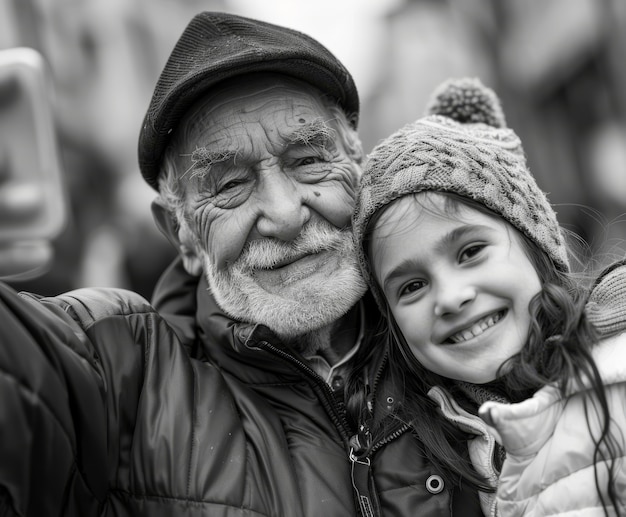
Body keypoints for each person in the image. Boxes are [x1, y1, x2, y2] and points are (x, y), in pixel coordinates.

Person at [0, 12, 483, 517]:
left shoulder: (462, 323)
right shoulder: (123, 376)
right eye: (230, 185)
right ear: (180, 232)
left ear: (359, 168)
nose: (285, 215)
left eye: (309, 160)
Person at [351, 76, 626, 516]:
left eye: (471, 252)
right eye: (412, 286)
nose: (451, 297)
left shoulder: (617, 373)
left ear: (536, 242)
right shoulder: (442, 450)